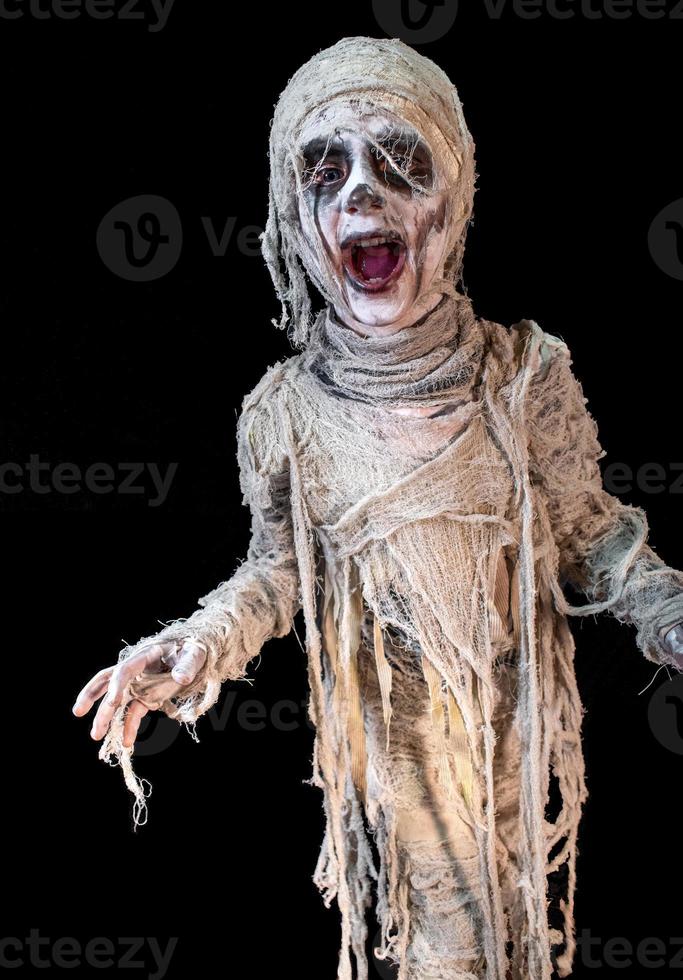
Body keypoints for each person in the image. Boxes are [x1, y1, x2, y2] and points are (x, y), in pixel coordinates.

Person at [73, 36, 683, 980]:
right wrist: (200, 642)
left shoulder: (522, 378)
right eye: (325, 170)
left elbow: (588, 533)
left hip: (515, 734)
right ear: (293, 214)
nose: (361, 191)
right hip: (398, 752)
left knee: (515, 941)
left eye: (402, 162)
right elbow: (279, 571)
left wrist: (666, 608)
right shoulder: (285, 415)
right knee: (453, 945)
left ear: (454, 197)